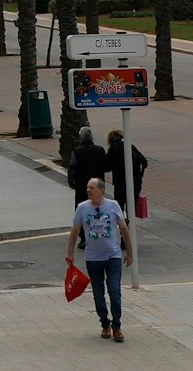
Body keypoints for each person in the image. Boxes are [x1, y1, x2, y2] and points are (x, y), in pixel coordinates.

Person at [66, 176, 133, 342]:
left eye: (92, 188)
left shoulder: (113, 205)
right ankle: (105, 324)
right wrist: (70, 253)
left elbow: (124, 230)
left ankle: (117, 326)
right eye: (88, 187)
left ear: (102, 190)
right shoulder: (82, 208)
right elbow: (75, 231)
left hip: (113, 256)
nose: (89, 190)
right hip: (93, 258)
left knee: (114, 291)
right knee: (98, 293)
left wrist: (130, 253)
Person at [104, 127, 148, 213]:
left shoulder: (113, 148)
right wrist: (140, 175)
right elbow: (144, 162)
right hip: (135, 183)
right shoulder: (130, 146)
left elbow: (107, 167)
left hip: (120, 184)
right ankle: (130, 225)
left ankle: (123, 225)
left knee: (119, 208)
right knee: (131, 208)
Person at [68, 126, 107, 204]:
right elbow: (106, 166)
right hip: (98, 184)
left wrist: (71, 182)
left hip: (81, 184)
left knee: (81, 205)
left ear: (81, 137)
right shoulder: (100, 150)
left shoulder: (76, 151)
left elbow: (72, 167)